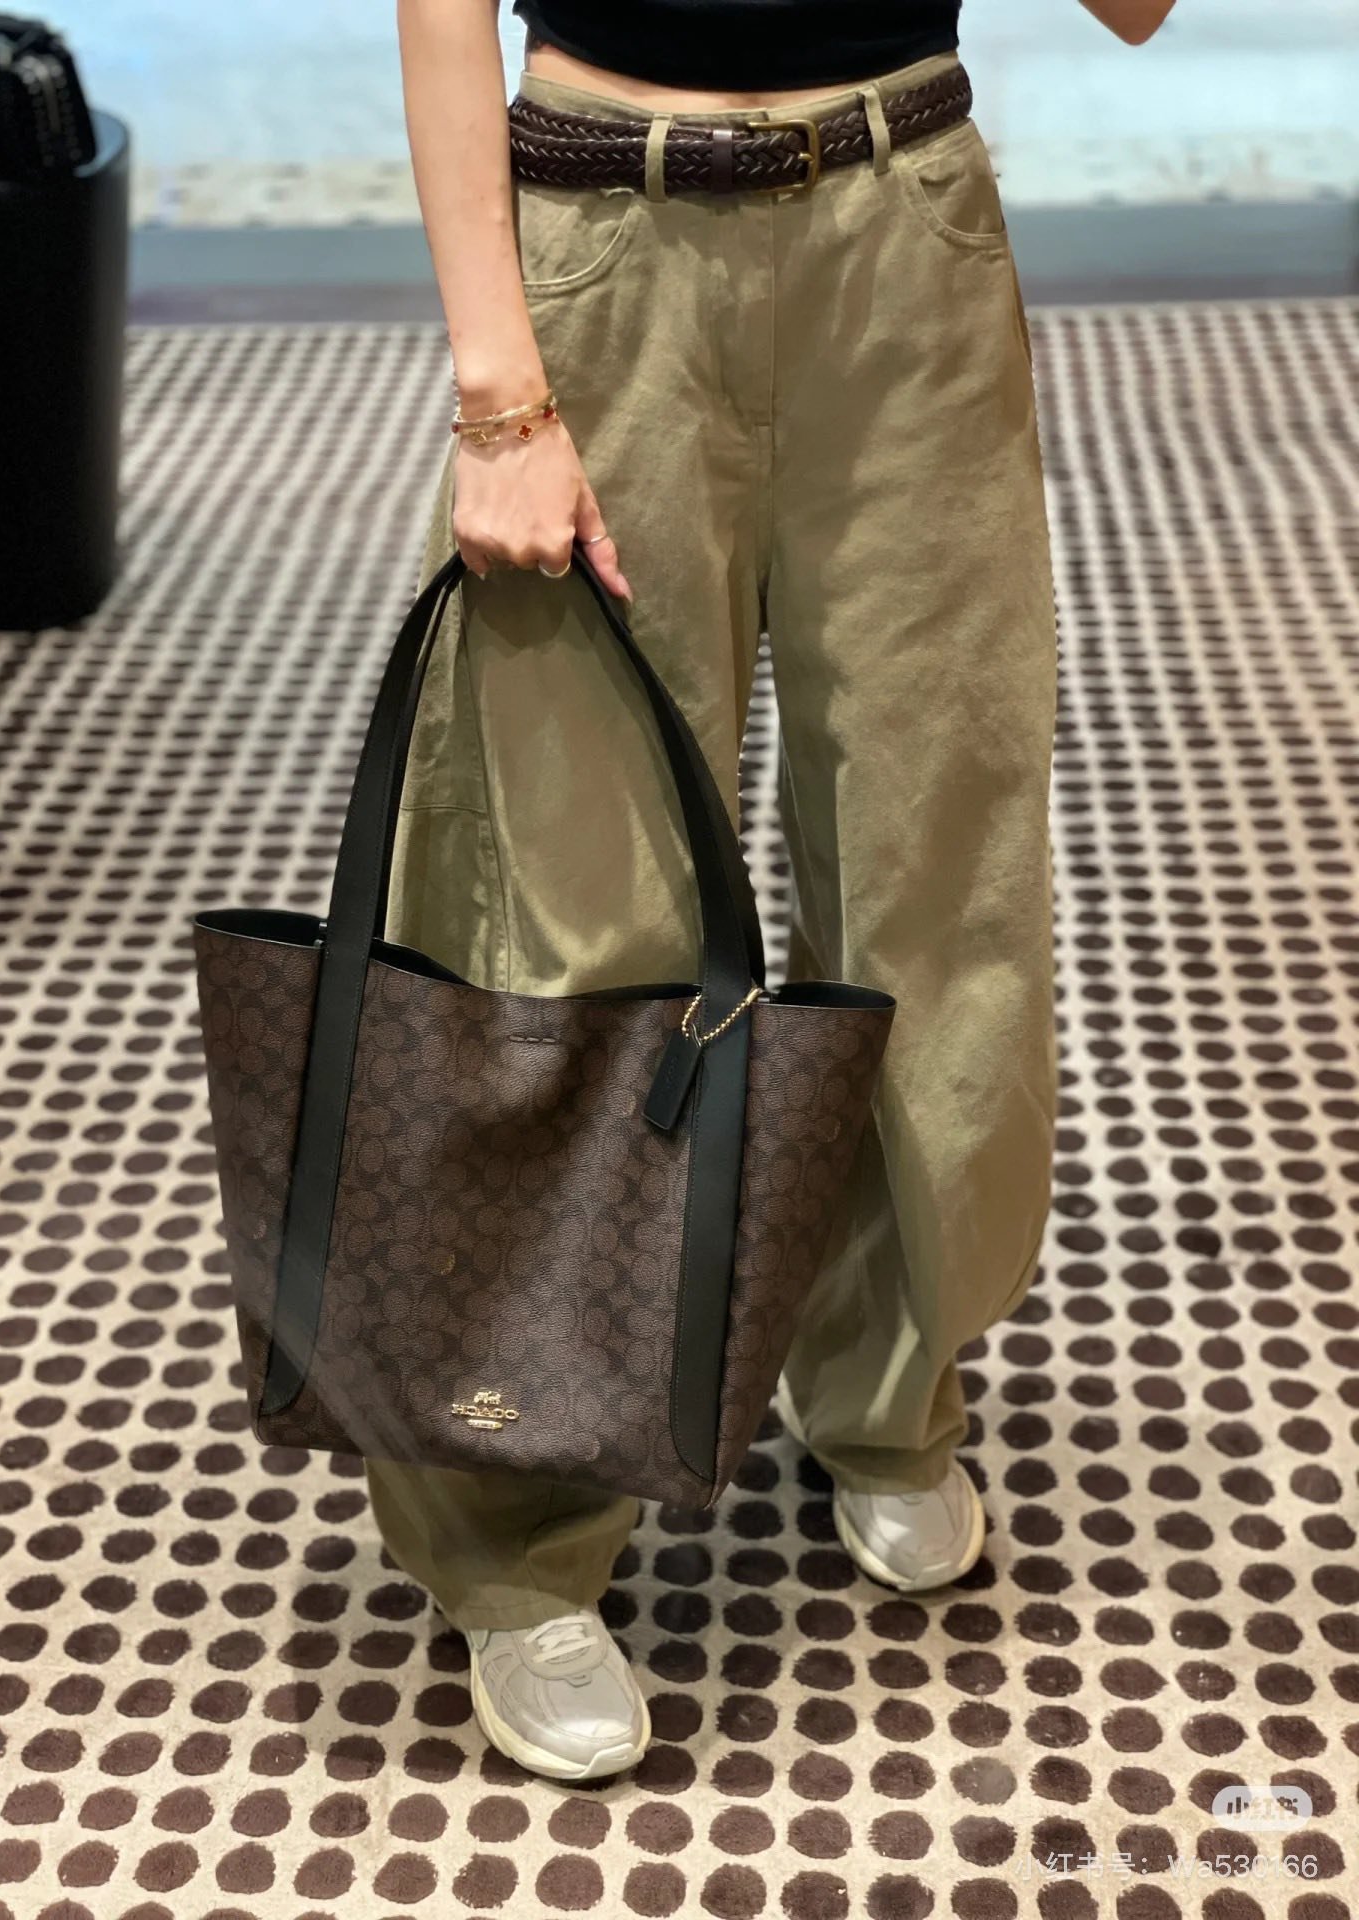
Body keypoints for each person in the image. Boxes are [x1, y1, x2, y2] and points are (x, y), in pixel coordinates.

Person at [368, 0, 1178, 1784]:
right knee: (571, 904)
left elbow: (1140, 12)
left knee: (933, 864)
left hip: (905, 238)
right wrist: (498, 388)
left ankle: (885, 1388)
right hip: (605, 242)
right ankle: (521, 1526)